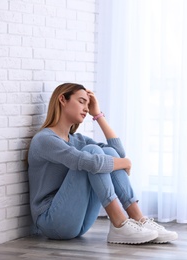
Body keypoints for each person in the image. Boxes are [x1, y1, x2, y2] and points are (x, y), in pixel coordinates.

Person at [27, 83, 178, 244]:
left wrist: (98, 115)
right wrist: (125, 163)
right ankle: (119, 223)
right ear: (62, 99)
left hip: (80, 222)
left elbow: (117, 153)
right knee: (92, 153)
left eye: (88, 104)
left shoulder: (78, 140)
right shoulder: (45, 140)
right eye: (81, 101)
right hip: (52, 221)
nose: (86, 108)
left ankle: (138, 218)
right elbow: (97, 162)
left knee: (107, 154)